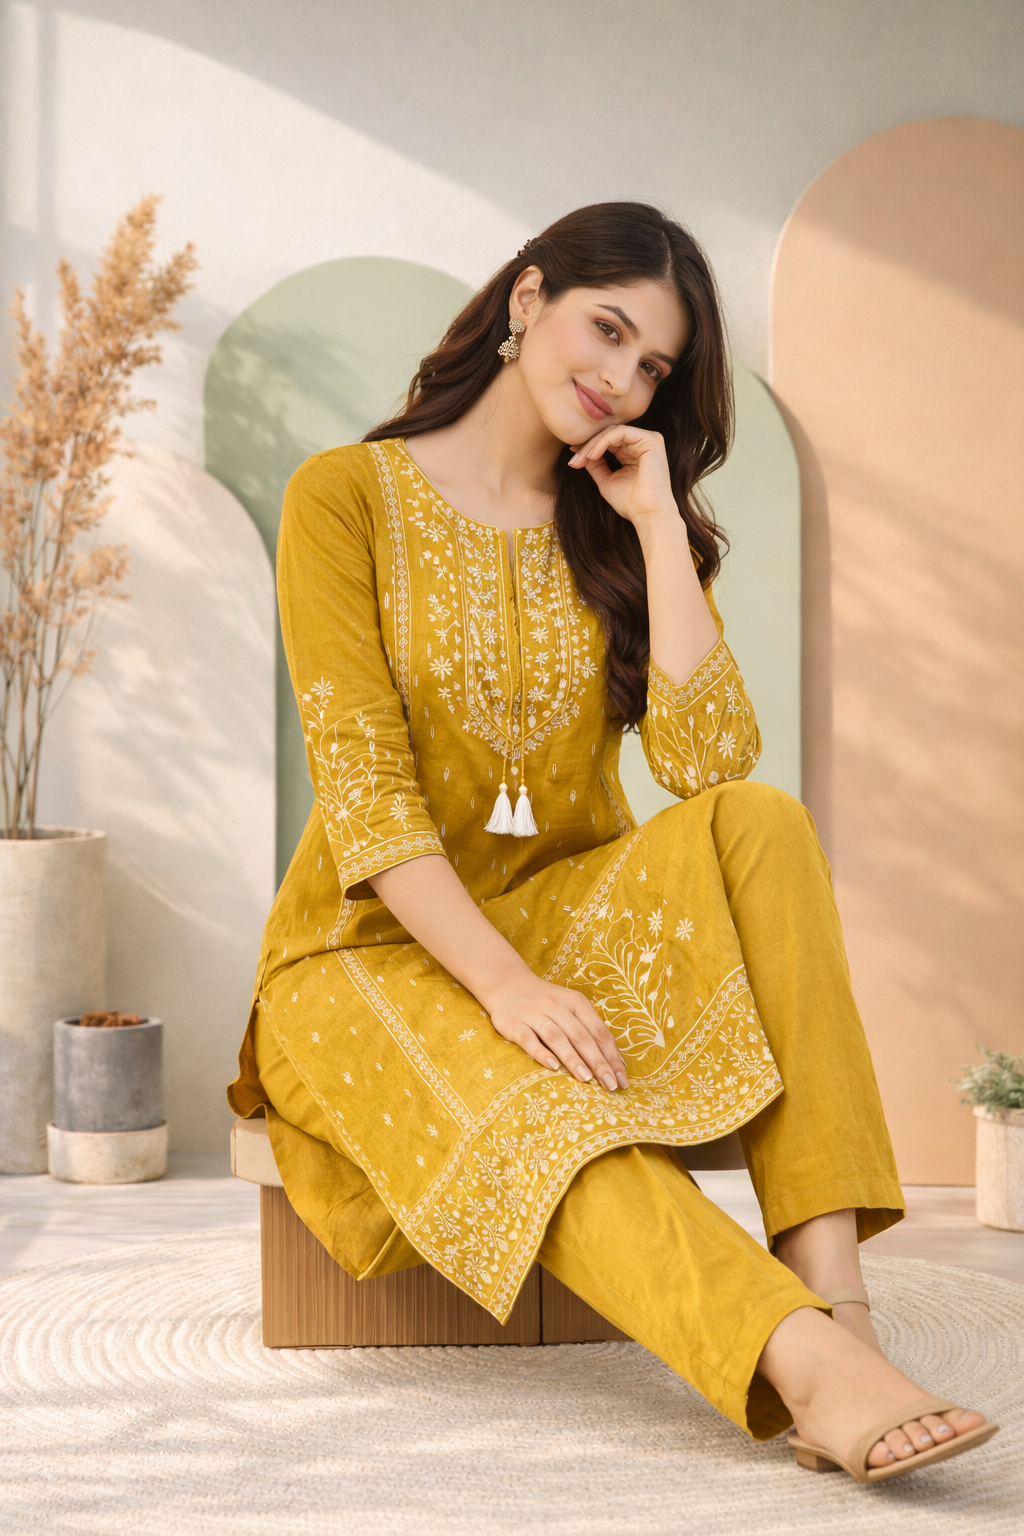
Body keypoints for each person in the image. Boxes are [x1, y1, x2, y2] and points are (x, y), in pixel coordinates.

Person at [228, 202, 996, 1482]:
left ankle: (841, 1304)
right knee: (541, 1112)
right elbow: (364, 794)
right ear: (527, 298)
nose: (622, 378)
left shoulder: (614, 516)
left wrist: (652, 524)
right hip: (360, 954)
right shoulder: (343, 498)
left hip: (566, 910)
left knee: (760, 821)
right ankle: (800, 1365)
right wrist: (508, 987)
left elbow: (709, 768)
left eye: (654, 368)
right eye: (609, 329)